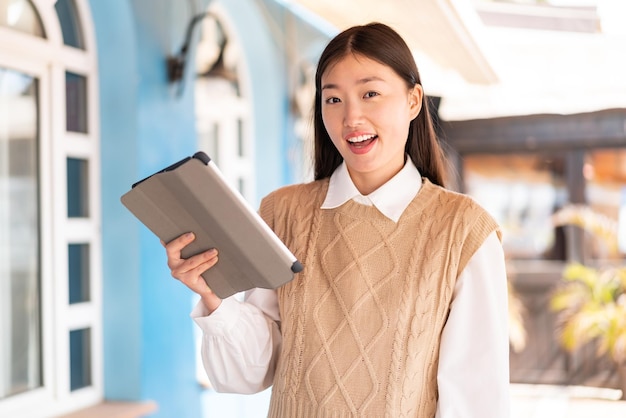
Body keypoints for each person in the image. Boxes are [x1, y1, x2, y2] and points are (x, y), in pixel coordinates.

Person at [164, 22, 510, 417]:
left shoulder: (464, 231)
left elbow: (477, 400)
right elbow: (249, 373)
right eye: (333, 100)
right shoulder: (283, 213)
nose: (352, 117)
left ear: (414, 101)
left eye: (370, 93)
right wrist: (213, 294)